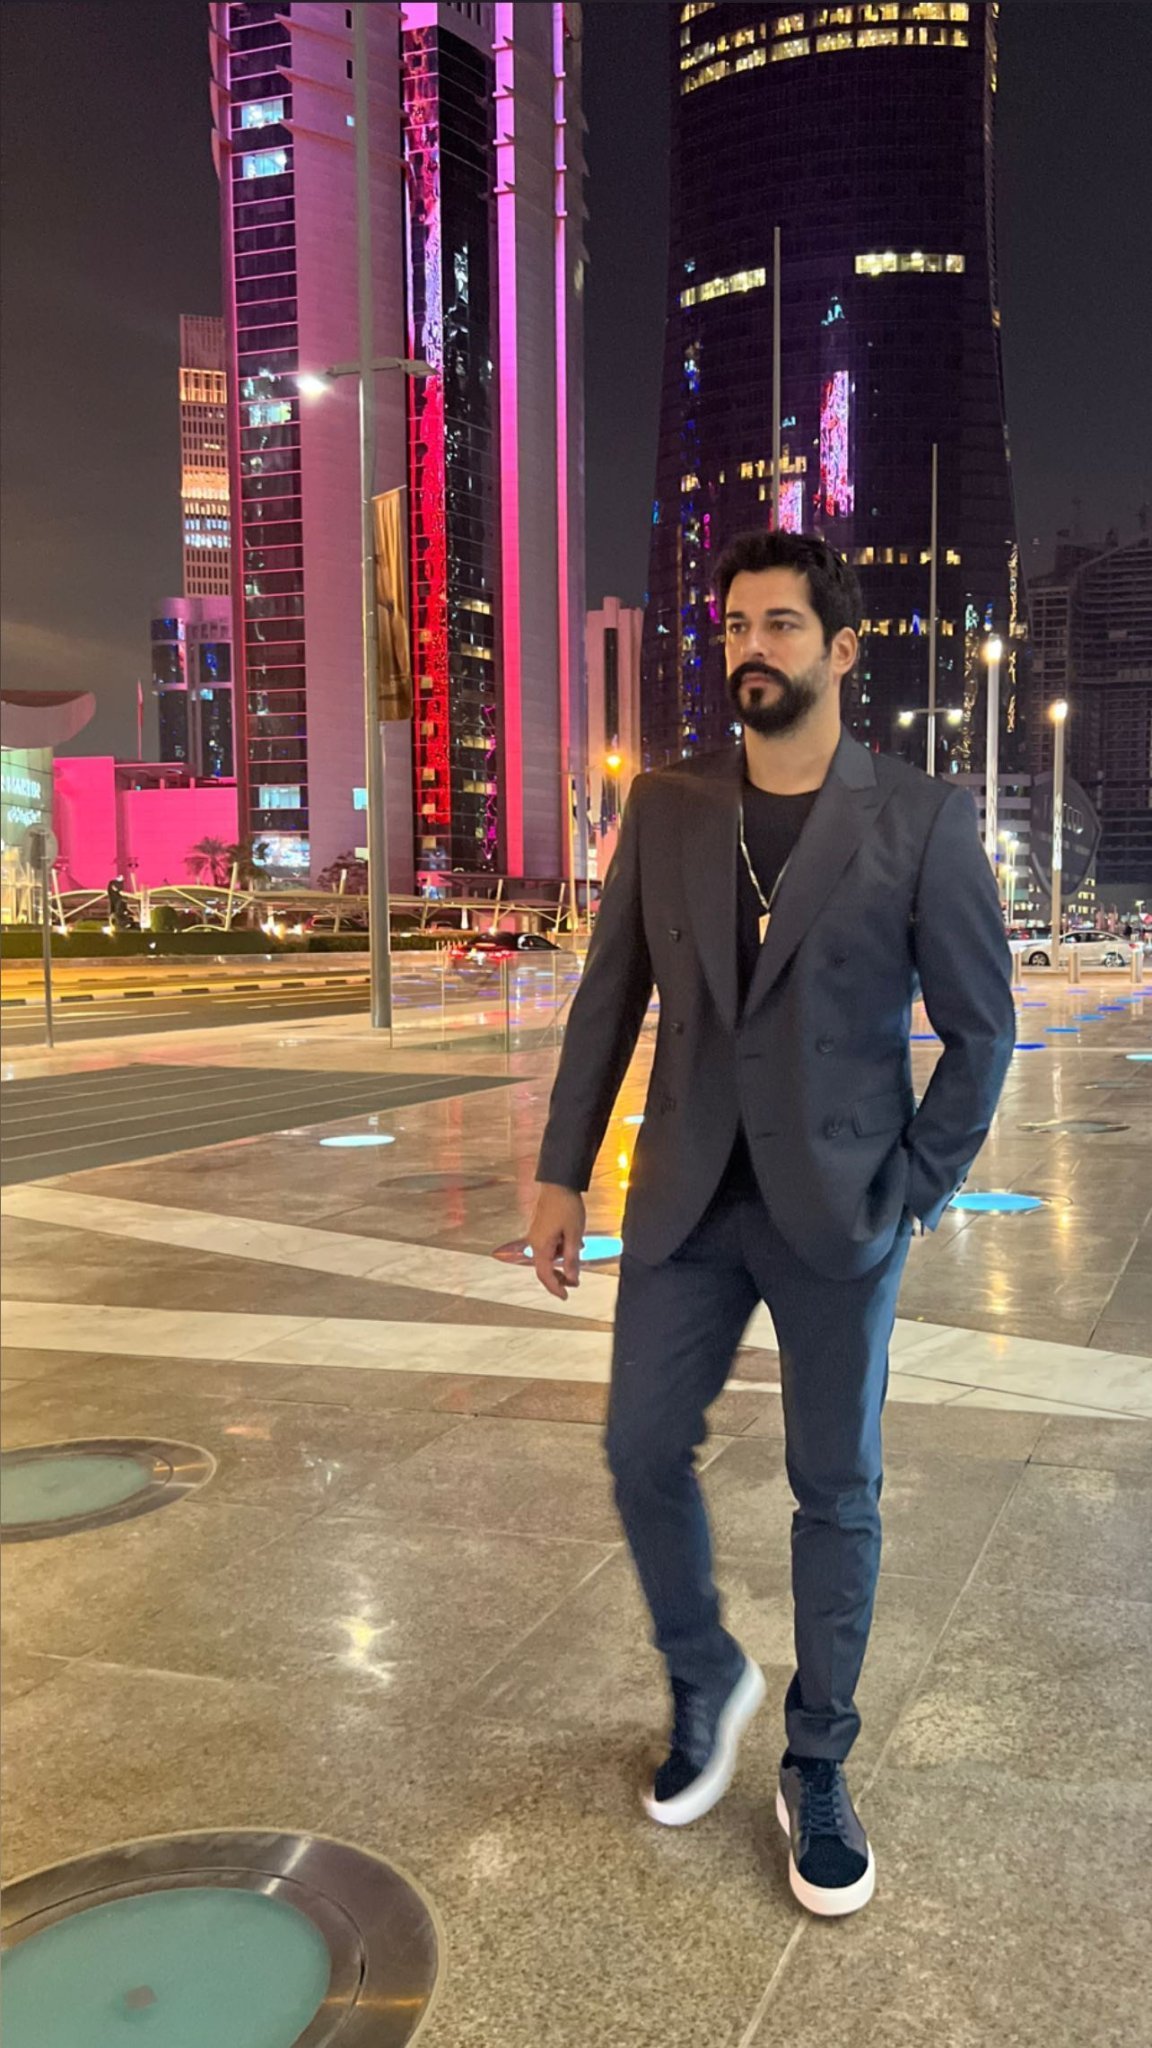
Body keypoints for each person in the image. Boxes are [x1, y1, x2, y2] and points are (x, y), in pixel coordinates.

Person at [527, 529, 1015, 1918]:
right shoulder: (670, 806)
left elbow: (983, 1031)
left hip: (838, 1208)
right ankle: (706, 1673)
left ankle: (819, 1761)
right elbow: (608, 998)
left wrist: (910, 1191)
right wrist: (563, 1170)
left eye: (783, 625)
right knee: (637, 1449)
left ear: (843, 650)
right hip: (687, 1196)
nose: (753, 646)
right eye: (738, 624)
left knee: (835, 1490)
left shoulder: (919, 819)